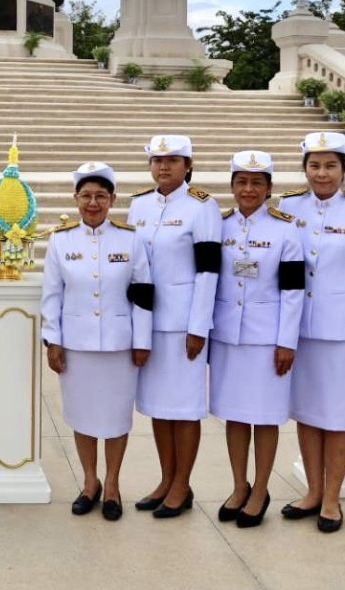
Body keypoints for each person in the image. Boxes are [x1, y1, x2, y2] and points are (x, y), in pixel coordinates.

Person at [277, 131, 345, 534]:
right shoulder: (288, 206)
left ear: (344, 169)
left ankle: (333, 499)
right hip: (300, 329)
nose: (322, 173)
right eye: (314, 165)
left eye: (330, 166)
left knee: (338, 417)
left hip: (342, 331)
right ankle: (313, 491)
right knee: (307, 413)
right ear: (305, 168)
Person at [42, 162, 153, 521]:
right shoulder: (60, 240)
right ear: (75, 198)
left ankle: (113, 484)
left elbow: (144, 295)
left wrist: (142, 340)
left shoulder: (130, 239)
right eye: (86, 196)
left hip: (120, 345)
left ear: (113, 200)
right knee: (83, 416)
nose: (93, 203)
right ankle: (90, 483)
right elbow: (51, 295)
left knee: (117, 418)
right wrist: (53, 341)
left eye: (101, 196)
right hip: (76, 346)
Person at [125, 134, 221, 519]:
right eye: (157, 160)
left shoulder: (203, 206)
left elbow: (209, 271)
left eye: (173, 160)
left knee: (184, 407)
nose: (163, 166)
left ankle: (183, 484)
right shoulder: (139, 205)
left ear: (188, 165)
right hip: (148, 321)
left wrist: (199, 326)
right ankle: (166, 480)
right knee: (159, 407)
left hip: (184, 325)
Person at [210, 150, 304, 529]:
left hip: (267, 338)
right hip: (228, 336)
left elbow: (293, 291)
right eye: (241, 182)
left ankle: (261, 489)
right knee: (234, 415)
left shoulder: (285, 229)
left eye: (257, 183)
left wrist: (287, 341)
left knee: (265, 417)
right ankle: (239, 486)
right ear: (232, 186)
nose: (248, 189)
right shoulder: (219, 225)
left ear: (269, 188)